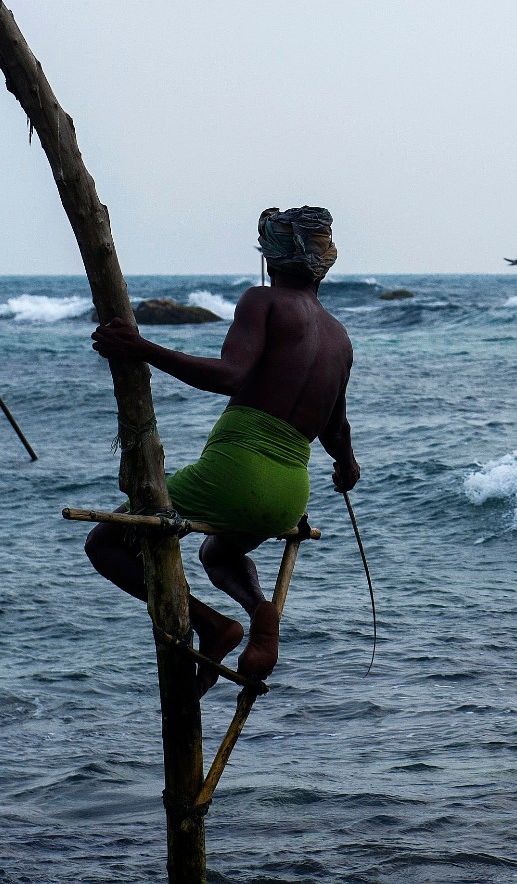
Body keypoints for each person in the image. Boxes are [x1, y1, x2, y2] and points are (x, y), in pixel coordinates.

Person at [86, 205, 358, 688]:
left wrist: (141, 348)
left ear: (271, 260)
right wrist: (346, 467)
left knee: (105, 543)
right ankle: (259, 611)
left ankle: (213, 626)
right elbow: (337, 432)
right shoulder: (340, 337)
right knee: (218, 554)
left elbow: (229, 375)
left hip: (238, 474)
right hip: (291, 493)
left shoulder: (262, 301)